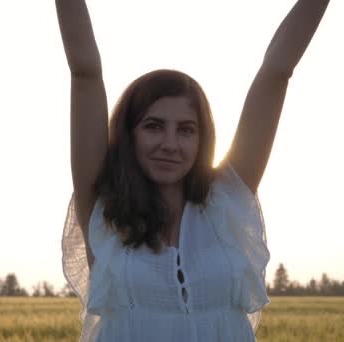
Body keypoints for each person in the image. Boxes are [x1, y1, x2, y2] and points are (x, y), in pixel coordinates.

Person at [57, 0, 329, 341]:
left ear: (203, 139)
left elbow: (277, 71)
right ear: (129, 134)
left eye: (186, 130)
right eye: (154, 126)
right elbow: (84, 70)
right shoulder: (103, 205)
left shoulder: (227, 200)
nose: (170, 144)